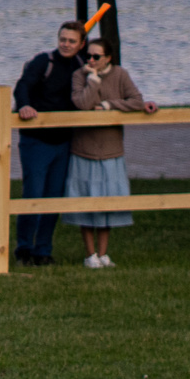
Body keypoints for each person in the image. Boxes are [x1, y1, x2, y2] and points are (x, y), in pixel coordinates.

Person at [69, 40, 155, 267]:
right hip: (83, 149)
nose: (91, 60)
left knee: (108, 203)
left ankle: (103, 253)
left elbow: (136, 100)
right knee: (85, 203)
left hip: (111, 149)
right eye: (88, 55)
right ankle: (90, 255)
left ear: (108, 58)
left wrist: (109, 106)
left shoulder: (120, 74)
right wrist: (93, 81)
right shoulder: (79, 75)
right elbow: (82, 104)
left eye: (96, 57)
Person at [12, 21, 87, 265]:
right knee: (33, 194)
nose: (66, 44)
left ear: (81, 44)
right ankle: (24, 247)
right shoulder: (43, 62)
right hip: (36, 140)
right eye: (63, 39)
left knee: (54, 196)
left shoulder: (81, 66)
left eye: (72, 41)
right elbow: (22, 86)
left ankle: (43, 250)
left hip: (63, 142)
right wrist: (24, 105)